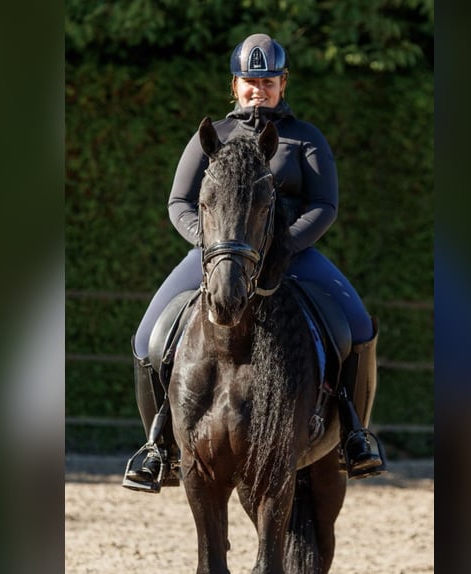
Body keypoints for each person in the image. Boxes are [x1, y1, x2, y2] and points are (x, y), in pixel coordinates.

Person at [123, 33, 384, 491]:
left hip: (291, 255)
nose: (257, 89)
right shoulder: (215, 136)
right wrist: (213, 246)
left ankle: (354, 437)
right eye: (249, 81)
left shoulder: (305, 138)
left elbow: (325, 205)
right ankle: (158, 445)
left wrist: (285, 245)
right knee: (149, 338)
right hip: (221, 256)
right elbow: (178, 202)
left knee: (358, 328)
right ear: (235, 84)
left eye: (267, 81)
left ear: (283, 83)